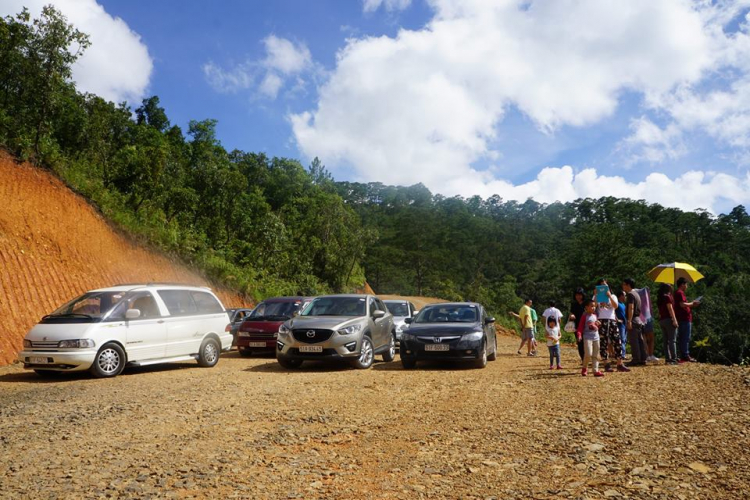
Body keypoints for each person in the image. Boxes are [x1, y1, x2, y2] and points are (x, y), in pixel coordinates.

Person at [595, 279, 629, 373]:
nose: (604, 287)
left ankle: (619, 363)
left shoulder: (613, 296)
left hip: (612, 320)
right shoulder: (596, 296)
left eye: (605, 285)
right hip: (601, 320)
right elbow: (593, 306)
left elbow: (616, 306)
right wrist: (596, 295)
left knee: (617, 341)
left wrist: (609, 296)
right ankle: (606, 364)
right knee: (603, 343)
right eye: (601, 285)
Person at [622, 278, 648, 366]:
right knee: (640, 340)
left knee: (634, 341)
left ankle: (636, 359)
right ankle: (643, 358)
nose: (623, 286)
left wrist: (629, 320)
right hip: (638, 319)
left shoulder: (630, 295)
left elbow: (631, 307)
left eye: (624, 284)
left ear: (628, 285)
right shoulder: (636, 294)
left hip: (633, 319)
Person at [675, 277, 700, 362]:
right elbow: (682, 304)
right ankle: (685, 355)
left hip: (682, 318)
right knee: (685, 337)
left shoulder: (678, 293)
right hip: (684, 318)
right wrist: (692, 303)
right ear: (682, 284)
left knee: (682, 337)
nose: (687, 286)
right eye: (686, 284)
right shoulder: (680, 293)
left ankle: (682, 354)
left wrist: (691, 304)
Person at [577, 299, 604, 377]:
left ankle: (595, 370)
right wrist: (579, 335)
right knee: (588, 354)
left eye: (594, 306)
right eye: (591, 306)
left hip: (596, 337)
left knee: (596, 354)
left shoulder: (595, 315)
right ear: (586, 307)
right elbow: (580, 327)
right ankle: (584, 367)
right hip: (587, 337)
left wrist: (598, 324)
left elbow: (596, 325)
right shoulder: (584, 316)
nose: (593, 308)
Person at [657, 283, 679, 365]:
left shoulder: (660, 298)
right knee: (672, 340)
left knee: (665, 341)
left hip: (662, 320)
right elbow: (670, 308)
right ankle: (674, 358)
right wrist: (674, 319)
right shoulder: (667, 297)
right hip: (668, 320)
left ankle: (668, 358)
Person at [569, 288, 586, 362]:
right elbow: (571, 312)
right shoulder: (574, 304)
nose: (578, 297)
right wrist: (572, 315)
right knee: (580, 343)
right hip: (577, 326)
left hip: (586, 326)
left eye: (580, 295)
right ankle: (583, 359)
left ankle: (588, 358)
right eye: (576, 295)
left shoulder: (586, 303)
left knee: (587, 343)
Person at [616, 291, 628, 359]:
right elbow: (613, 311)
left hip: (625, 323)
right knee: (622, 339)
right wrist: (617, 319)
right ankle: (622, 355)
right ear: (620, 296)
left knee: (625, 339)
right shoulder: (617, 303)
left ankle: (623, 353)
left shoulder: (623, 304)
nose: (625, 297)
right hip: (620, 324)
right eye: (624, 295)